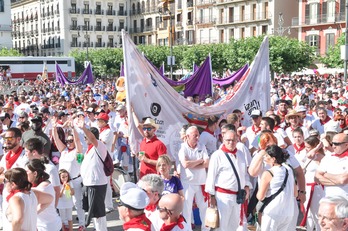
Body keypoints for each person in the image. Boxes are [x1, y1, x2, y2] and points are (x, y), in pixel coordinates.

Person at [205, 130, 251, 231]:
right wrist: (211, 197)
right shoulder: (217, 155)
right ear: (223, 139)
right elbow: (210, 177)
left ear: (237, 140)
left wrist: (247, 185)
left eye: (233, 140)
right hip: (223, 197)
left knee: (234, 226)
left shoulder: (240, 154)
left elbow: (244, 174)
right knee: (221, 226)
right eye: (228, 140)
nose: (231, 142)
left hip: (238, 197)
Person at [52, 119, 86, 230]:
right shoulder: (64, 151)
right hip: (63, 181)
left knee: (77, 203)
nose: (69, 143)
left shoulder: (78, 152)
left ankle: (82, 224)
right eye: (67, 141)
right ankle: (66, 225)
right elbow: (56, 139)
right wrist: (54, 128)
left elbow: (77, 140)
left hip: (75, 181)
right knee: (64, 204)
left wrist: (73, 129)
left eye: (70, 141)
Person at [76, 119, 108, 231]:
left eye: (86, 136)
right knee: (93, 212)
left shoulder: (100, 146)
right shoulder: (88, 150)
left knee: (98, 213)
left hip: (97, 184)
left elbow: (93, 138)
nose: (85, 139)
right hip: (89, 183)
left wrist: (84, 128)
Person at [256, 145, 296, 231]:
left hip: (272, 212)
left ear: (273, 159)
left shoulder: (269, 172)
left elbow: (260, 196)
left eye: (267, 155)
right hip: (288, 212)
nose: (264, 157)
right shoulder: (289, 169)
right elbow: (295, 193)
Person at [178, 126, 209, 231]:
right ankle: (187, 229)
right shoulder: (182, 148)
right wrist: (199, 161)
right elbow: (185, 164)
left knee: (204, 207)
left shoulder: (202, 146)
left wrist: (194, 165)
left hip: (201, 182)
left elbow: (207, 163)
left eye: (198, 135)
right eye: (194, 135)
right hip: (187, 183)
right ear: (187, 136)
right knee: (186, 209)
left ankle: (206, 229)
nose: (197, 137)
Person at [25, 159, 62, 231]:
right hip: (46, 225)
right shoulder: (39, 184)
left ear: (35, 173)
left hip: (48, 227)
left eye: (27, 171)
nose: (25, 174)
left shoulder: (43, 187)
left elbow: (35, 209)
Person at [24, 138, 61, 207]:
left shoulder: (50, 168)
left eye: (26, 151)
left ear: (34, 152)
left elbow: (56, 190)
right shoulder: (28, 164)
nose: (25, 154)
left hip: (46, 207)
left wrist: (54, 208)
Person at [299, 136, 325, 231]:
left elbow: (310, 155)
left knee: (317, 214)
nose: (306, 149)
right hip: (307, 187)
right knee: (308, 213)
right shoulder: (306, 155)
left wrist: (317, 147)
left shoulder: (319, 156)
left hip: (316, 189)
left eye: (308, 147)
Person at [315, 133, 348, 197]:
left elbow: (343, 180)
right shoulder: (328, 157)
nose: (333, 146)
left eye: (337, 144)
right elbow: (316, 178)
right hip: (328, 199)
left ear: (346, 145)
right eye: (332, 143)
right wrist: (338, 181)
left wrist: (325, 174)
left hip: (345, 201)